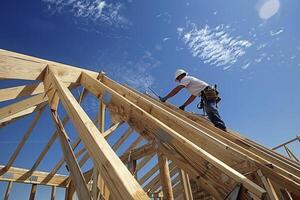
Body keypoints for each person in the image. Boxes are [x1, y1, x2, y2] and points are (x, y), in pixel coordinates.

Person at [159, 69, 227, 131]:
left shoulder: (185, 79)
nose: (179, 81)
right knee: (208, 108)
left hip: (208, 93)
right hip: (206, 94)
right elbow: (193, 96)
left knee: (209, 108)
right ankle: (219, 126)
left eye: (178, 79)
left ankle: (221, 127)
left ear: (180, 76)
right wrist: (184, 105)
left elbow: (177, 89)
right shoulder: (192, 85)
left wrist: (165, 97)